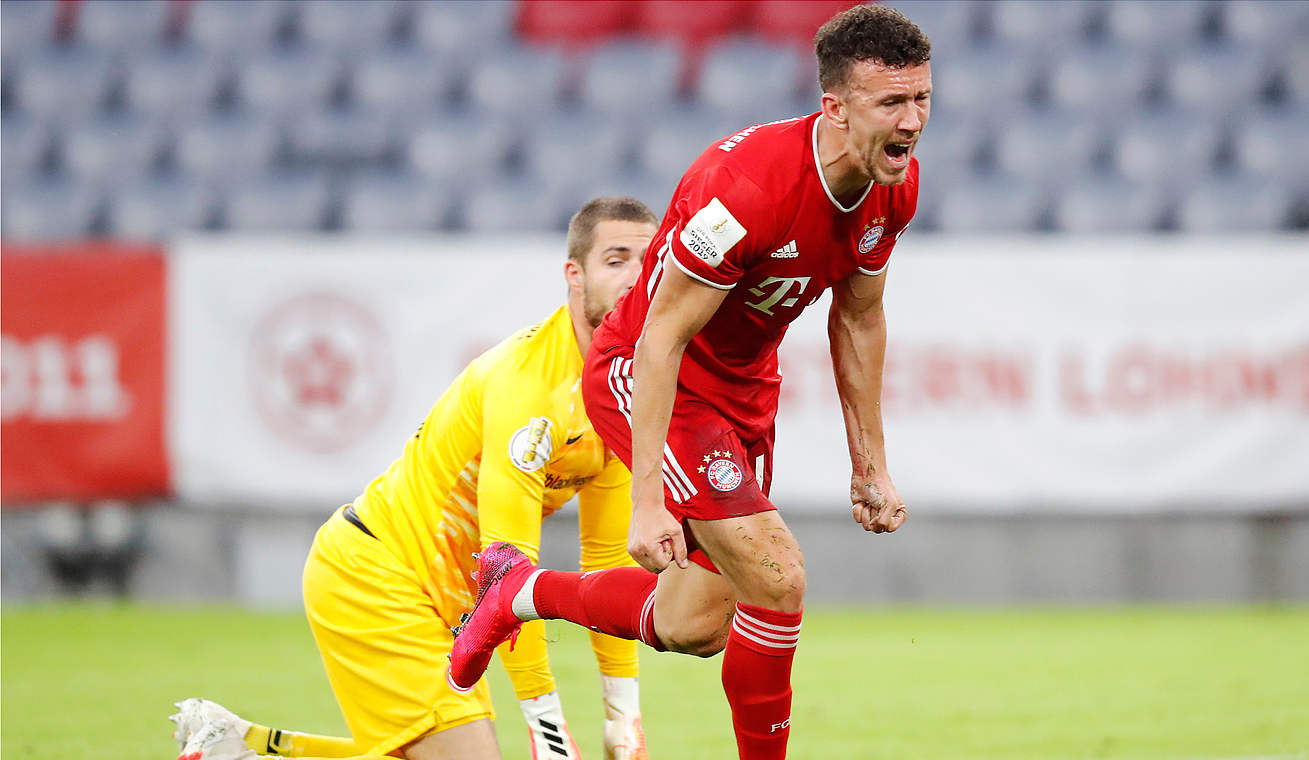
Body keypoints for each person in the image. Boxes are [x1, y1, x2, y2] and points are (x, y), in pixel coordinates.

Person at [447, 5, 929, 759]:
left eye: (922, 99)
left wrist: (870, 463)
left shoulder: (893, 186)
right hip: (649, 372)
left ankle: (519, 591)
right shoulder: (745, 190)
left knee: (695, 625)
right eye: (891, 103)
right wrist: (645, 503)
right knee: (779, 578)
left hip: (742, 389)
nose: (913, 121)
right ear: (835, 106)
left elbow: (859, 318)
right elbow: (658, 336)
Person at [171, 197, 660, 760]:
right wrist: (548, 730)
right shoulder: (530, 387)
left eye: (648, 262)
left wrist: (625, 718)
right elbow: (509, 576)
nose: (635, 278)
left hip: (445, 597)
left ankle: (238, 750)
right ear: (575, 274)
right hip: (378, 575)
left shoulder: (621, 390)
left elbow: (606, 561)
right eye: (616, 259)